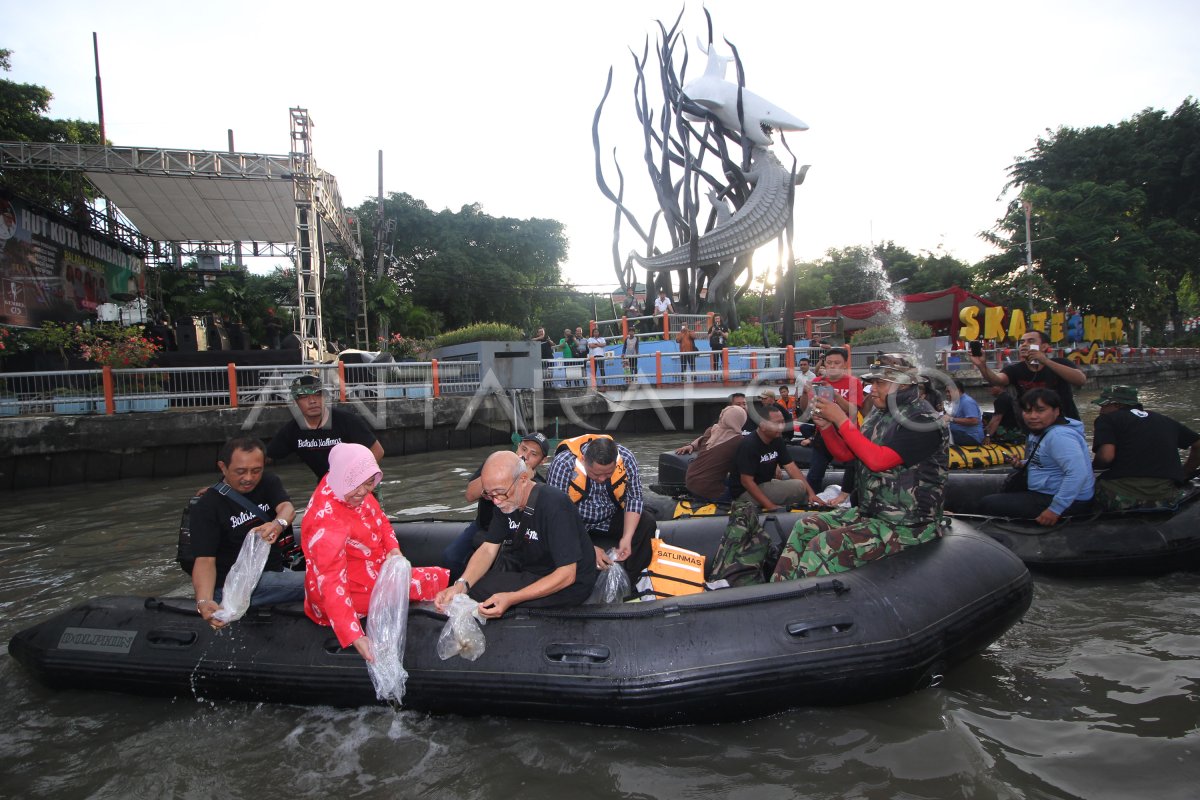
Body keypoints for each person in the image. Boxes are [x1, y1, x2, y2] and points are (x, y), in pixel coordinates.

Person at [770, 359, 949, 580]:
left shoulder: (922, 420)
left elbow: (877, 461)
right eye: (871, 383)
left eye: (879, 383)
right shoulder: (879, 415)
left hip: (908, 524)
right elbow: (848, 456)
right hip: (871, 513)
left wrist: (840, 419)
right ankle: (779, 590)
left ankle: (805, 601)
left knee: (826, 544)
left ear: (902, 385)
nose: (871, 389)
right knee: (805, 525)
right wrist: (827, 428)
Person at [434, 451, 597, 617]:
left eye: (501, 492)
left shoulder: (555, 505)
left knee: (482, 592)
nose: (496, 501)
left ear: (523, 480)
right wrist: (461, 585)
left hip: (570, 584)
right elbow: (489, 548)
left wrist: (512, 598)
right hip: (533, 569)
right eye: (489, 494)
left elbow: (567, 575)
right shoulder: (504, 503)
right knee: (473, 587)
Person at [302, 442, 403, 663]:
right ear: (341, 477)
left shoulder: (351, 491)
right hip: (338, 588)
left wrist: (393, 550)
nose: (362, 492)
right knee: (411, 585)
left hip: (365, 567)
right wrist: (355, 636)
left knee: (411, 578)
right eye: (356, 485)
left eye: (368, 484)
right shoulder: (327, 523)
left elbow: (382, 522)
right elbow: (331, 582)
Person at [191, 437, 305, 628]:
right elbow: (205, 560)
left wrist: (277, 524)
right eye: (240, 472)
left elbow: (287, 508)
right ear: (223, 467)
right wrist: (203, 602)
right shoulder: (208, 506)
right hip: (237, 584)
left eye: (256, 470)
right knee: (322, 583)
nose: (249, 478)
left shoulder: (268, 482)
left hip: (274, 571)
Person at [441, 432, 550, 580]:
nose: (525, 456)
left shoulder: (540, 485)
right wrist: (493, 479)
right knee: (451, 558)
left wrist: (525, 479)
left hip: (515, 535)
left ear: (543, 460)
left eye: (534, 454)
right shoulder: (496, 464)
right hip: (484, 526)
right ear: (517, 447)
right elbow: (469, 495)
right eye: (523, 449)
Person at [978, 388, 1094, 525]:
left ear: (1056, 411)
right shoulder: (1039, 431)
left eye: (1040, 410)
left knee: (988, 504)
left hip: (1071, 501)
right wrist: (1023, 463)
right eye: (1028, 411)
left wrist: (1055, 509)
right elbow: (1048, 460)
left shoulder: (1059, 437)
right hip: (1049, 491)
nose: (1032, 416)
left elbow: (1077, 474)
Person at [546, 434, 654, 580]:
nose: (602, 479)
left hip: (608, 518)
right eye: (596, 474)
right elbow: (556, 515)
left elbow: (634, 498)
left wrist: (627, 537)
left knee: (647, 522)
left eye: (608, 474)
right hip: (576, 523)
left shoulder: (626, 458)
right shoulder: (563, 464)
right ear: (584, 461)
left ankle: (630, 580)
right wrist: (588, 548)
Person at [1091, 385, 1200, 510]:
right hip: (1166, 497)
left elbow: (1106, 456)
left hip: (1121, 497)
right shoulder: (1165, 421)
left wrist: (1092, 471)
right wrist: (1185, 472)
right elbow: (1198, 445)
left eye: (1104, 405)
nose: (1101, 410)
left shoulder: (1107, 419)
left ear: (1118, 405)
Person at [266, 374, 383, 480]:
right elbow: (266, 456)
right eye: (304, 396)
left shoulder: (346, 421)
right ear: (294, 402)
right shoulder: (291, 431)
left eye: (317, 395)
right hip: (325, 486)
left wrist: (354, 479)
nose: (312, 401)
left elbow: (377, 451)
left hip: (357, 483)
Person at [971, 329, 1087, 421]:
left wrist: (1045, 361)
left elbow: (1080, 380)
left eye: (1030, 341)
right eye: (1022, 342)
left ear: (1044, 346)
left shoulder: (1061, 363)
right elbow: (997, 380)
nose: (1024, 345)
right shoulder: (1014, 369)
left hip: (1065, 423)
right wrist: (982, 366)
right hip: (1033, 427)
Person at [797, 347, 864, 491]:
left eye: (837, 363)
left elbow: (853, 410)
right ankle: (812, 500)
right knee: (814, 474)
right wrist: (804, 392)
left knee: (852, 472)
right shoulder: (817, 381)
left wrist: (836, 395)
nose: (832, 366)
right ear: (824, 364)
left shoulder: (854, 382)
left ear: (845, 364)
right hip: (823, 432)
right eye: (829, 363)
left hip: (847, 433)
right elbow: (805, 409)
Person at [733, 405, 817, 511]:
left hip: (764, 483)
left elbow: (791, 467)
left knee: (802, 489)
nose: (782, 427)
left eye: (783, 422)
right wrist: (770, 506)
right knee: (798, 487)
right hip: (744, 493)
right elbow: (746, 481)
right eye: (777, 423)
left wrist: (811, 493)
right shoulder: (749, 445)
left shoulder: (777, 439)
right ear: (763, 426)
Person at [684, 405, 749, 502]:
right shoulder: (739, 441)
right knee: (739, 497)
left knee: (730, 481)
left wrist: (692, 445)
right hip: (707, 488)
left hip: (691, 479)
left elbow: (704, 442)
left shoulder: (711, 430)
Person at [946, 378, 985, 446]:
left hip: (971, 437)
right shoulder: (957, 402)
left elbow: (974, 421)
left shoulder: (967, 402)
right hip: (962, 433)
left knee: (940, 439)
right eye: (946, 392)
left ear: (957, 390)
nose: (947, 394)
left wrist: (951, 419)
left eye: (949, 391)